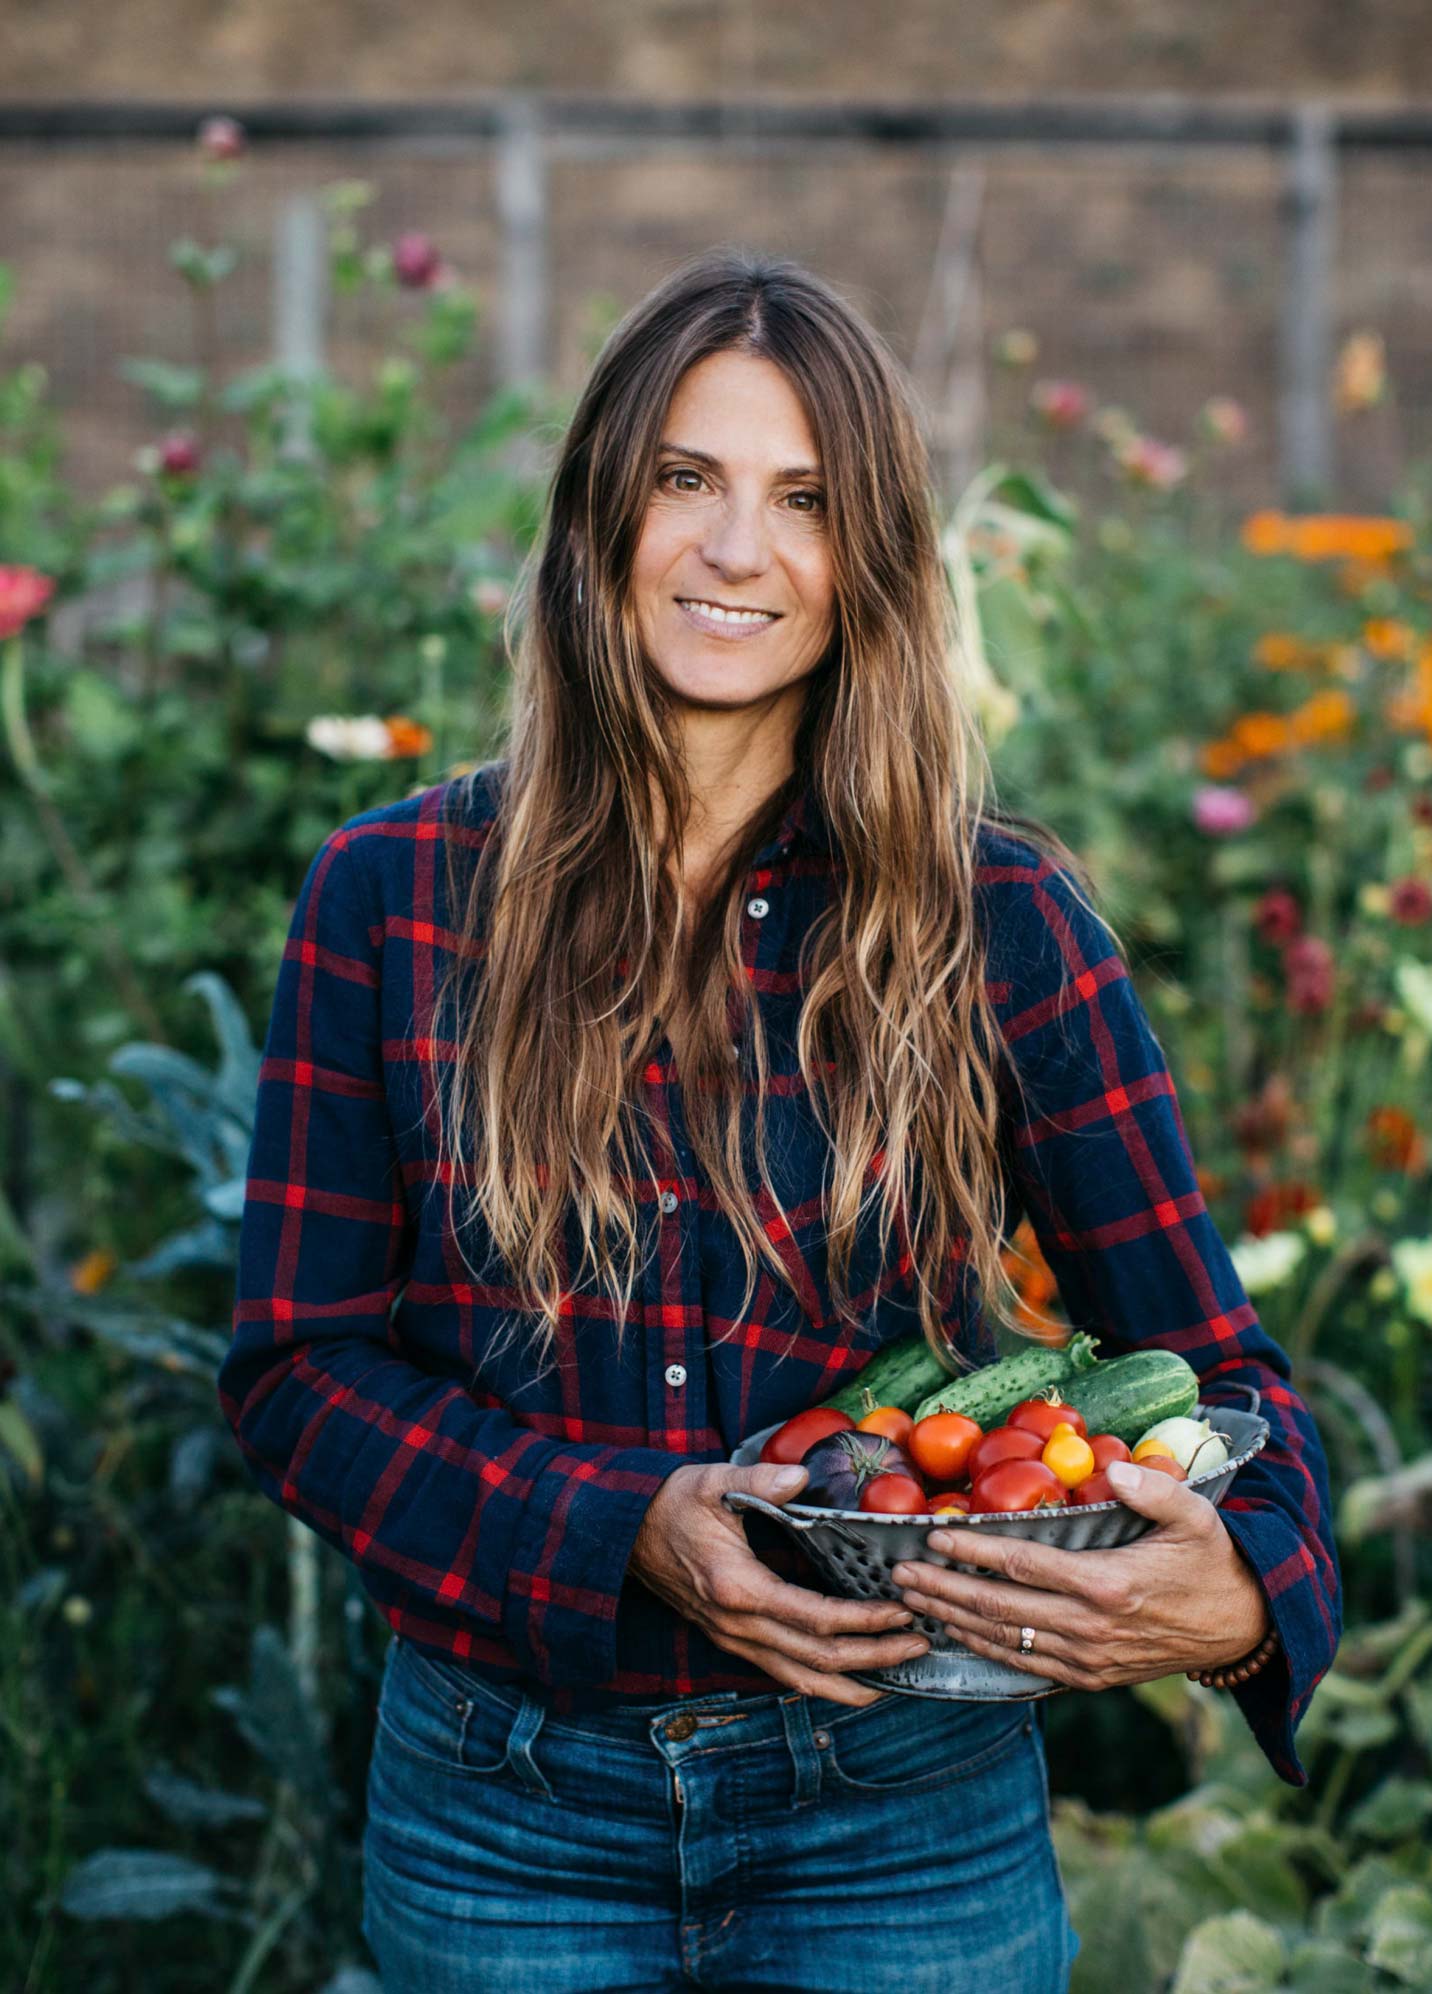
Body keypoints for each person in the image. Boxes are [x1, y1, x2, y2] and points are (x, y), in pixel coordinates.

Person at [219, 248, 1342, 1994]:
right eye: (689, 479)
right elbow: (296, 1374)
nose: (738, 550)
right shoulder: (395, 899)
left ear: (867, 566)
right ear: (606, 513)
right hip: (508, 1814)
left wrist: (1250, 1594)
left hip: (903, 1821)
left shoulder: (998, 919)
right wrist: (616, 1525)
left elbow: (1218, 1368)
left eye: (804, 501)